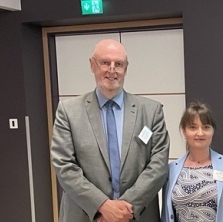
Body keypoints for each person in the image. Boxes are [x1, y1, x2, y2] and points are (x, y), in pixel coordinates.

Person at [50, 39, 169, 222]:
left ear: (126, 68)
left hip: (137, 215)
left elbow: (158, 166)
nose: (112, 70)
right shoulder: (68, 111)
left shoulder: (151, 112)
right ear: (92, 65)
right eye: (105, 63)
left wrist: (124, 209)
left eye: (118, 64)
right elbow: (64, 166)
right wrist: (102, 206)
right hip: (86, 215)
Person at [161, 102, 223, 222]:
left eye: (206, 127)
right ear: (184, 131)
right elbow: (166, 215)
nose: (200, 133)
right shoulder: (171, 170)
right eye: (193, 127)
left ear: (213, 130)